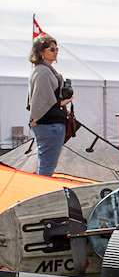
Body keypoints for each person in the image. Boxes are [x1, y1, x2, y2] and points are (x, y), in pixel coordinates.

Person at [27, 34, 73, 176]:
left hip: (46, 124)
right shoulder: (44, 72)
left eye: (57, 49)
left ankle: (39, 192)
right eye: (51, 49)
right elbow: (43, 102)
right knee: (47, 166)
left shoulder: (42, 70)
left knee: (45, 163)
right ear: (41, 52)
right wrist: (66, 101)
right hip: (49, 124)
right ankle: (41, 196)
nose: (55, 52)